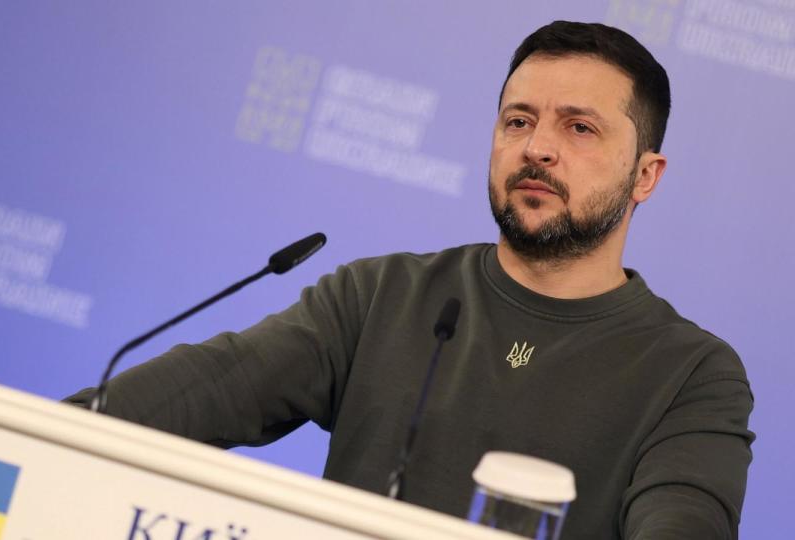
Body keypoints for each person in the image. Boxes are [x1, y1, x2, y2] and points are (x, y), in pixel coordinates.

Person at [67, 21, 754, 539]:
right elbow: (176, 400)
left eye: (579, 128)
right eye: (519, 120)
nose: (537, 146)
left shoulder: (692, 375)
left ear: (645, 176)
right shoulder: (382, 298)